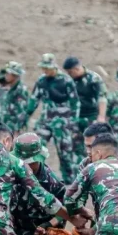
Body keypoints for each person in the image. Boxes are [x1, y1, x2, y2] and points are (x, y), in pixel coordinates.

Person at [27, 53, 81, 184]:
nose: (45, 71)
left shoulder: (66, 81)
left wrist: (73, 123)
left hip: (63, 122)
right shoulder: (41, 81)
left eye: (47, 68)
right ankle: (38, 176)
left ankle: (70, 181)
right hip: (45, 121)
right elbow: (34, 100)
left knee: (65, 152)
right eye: (43, 68)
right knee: (37, 148)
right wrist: (26, 116)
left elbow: (75, 103)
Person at [63, 57, 108, 169]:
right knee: (75, 146)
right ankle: (79, 173)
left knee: (93, 145)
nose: (69, 75)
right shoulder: (70, 81)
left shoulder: (94, 78)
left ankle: (97, 169)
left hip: (91, 117)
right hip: (76, 119)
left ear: (76, 69)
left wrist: (101, 116)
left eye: (70, 72)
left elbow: (102, 97)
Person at [0, 62, 31, 135]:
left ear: (15, 75)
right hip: (6, 127)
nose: (6, 75)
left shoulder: (20, 90)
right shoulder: (10, 89)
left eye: (8, 73)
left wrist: (17, 131)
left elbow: (22, 113)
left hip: (15, 130)